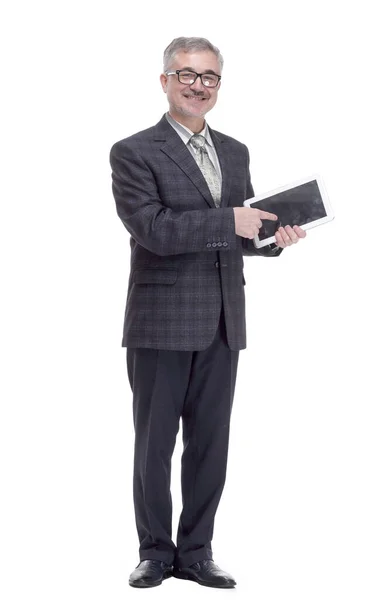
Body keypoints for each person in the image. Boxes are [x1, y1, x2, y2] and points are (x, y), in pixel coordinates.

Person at [109, 36, 306, 589]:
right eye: (188, 74)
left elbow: (243, 232)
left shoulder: (235, 150)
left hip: (223, 319)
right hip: (161, 320)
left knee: (210, 444)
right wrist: (230, 224)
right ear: (165, 81)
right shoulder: (133, 151)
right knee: (154, 445)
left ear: (219, 85)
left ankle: (196, 552)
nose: (199, 85)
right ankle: (154, 552)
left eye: (210, 77)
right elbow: (152, 229)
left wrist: (273, 239)